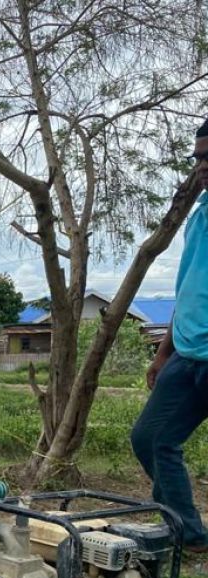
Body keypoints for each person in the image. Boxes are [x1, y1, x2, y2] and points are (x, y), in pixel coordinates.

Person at [131, 116, 208, 553]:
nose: (202, 166)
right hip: (188, 354)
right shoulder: (199, 216)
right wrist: (163, 355)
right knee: (152, 438)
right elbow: (190, 291)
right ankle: (188, 535)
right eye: (198, 158)